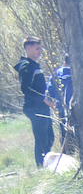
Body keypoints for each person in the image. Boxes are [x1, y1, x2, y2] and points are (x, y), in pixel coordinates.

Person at [14, 37, 54, 168]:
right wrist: (43, 98)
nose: (40, 51)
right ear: (28, 48)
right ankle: (41, 167)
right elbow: (26, 88)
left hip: (41, 106)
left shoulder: (34, 65)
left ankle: (47, 164)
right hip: (34, 107)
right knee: (42, 139)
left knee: (49, 137)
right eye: (37, 48)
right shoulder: (26, 66)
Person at [48, 53, 74, 153]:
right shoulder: (77, 72)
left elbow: (49, 93)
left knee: (64, 132)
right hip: (77, 107)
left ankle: (67, 153)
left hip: (62, 108)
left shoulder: (56, 74)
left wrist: (54, 105)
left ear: (64, 61)